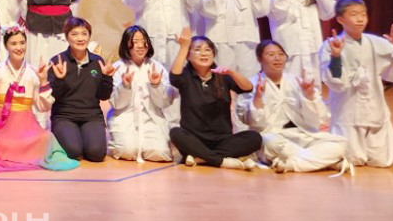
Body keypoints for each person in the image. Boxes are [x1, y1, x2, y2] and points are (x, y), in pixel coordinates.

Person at [0, 26, 78, 172]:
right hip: (1, 128)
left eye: (22, 43)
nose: (19, 47)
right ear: (6, 46)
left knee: (46, 137)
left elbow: (44, 107)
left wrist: (43, 81)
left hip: (26, 128)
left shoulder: (34, 72)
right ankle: (20, 155)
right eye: (14, 43)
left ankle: (16, 154)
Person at [320, 0, 393, 167]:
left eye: (363, 14)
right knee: (352, 158)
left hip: (374, 107)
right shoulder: (330, 45)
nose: (360, 19)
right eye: (354, 14)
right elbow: (336, 83)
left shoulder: (377, 43)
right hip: (348, 112)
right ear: (340, 19)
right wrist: (336, 57)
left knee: (382, 160)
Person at [239, 40, 347, 173]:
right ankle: (324, 162)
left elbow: (317, 119)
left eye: (281, 54)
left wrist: (309, 96)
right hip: (273, 136)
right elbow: (251, 121)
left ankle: (292, 164)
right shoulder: (250, 84)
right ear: (259, 59)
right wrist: (258, 98)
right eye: (271, 54)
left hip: (301, 134)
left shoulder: (297, 81)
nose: (277, 58)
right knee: (270, 142)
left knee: (341, 143)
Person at [169, 33, 262, 169]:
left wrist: (232, 72)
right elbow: (174, 77)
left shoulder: (222, 76)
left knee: (254, 138)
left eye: (208, 50)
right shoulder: (186, 76)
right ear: (188, 56)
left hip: (222, 141)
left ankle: (202, 158)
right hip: (195, 140)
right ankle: (221, 161)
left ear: (213, 54)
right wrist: (184, 47)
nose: (203, 53)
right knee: (176, 133)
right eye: (197, 49)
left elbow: (248, 87)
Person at [47, 17, 113, 162]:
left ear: (89, 36)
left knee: (96, 154)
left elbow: (103, 96)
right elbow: (53, 96)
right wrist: (59, 79)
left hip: (91, 115)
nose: (80, 38)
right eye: (74, 34)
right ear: (67, 37)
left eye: (84, 34)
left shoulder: (97, 61)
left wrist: (107, 78)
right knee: (73, 151)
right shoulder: (57, 61)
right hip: (64, 116)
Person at [108, 26, 175, 163]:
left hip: (151, 116)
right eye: (135, 41)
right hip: (125, 116)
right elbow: (116, 104)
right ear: (126, 44)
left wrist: (156, 85)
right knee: (128, 151)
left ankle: (152, 142)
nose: (140, 45)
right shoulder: (118, 67)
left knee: (160, 153)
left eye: (143, 41)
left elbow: (164, 102)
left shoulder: (157, 67)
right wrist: (125, 86)